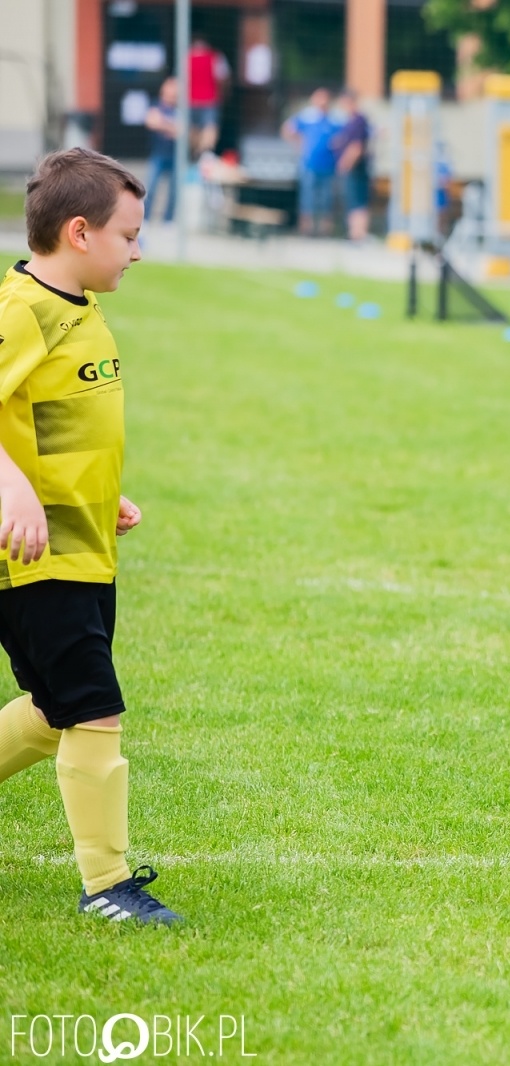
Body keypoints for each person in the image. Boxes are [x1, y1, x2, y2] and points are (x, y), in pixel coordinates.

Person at [0, 148, 180, 925]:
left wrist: (101, 494)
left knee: (52, 709)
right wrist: (15, 490)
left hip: (82, 540)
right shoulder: (22, 311)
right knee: (93, 708)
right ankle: (107, 886)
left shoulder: (78, 306)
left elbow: (58, 424)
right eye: (129, 236)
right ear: (79, 232)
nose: (138, 252)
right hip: (34, 557)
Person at [281, 89, 338, 237]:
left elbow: (343, 136)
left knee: (326, 200)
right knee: (307, 198)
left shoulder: (334, 119)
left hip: (328, 166)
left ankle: (325, 231)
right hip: (309, 164)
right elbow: (287, 129)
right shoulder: (307, 117)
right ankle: (306, 229)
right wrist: (299, 144)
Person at [328, 89, 372, 242]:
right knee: (353, 201)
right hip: (353, 168)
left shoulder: (358, 120)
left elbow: (356, 147)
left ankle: (358, 234)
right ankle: (354, 233)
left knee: (358, 201)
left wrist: (345, 163)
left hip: (356, 168)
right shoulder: (350, 121)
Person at [143, 78, 179, 224]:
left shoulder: (180, 109)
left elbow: (183, 130)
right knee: (151, 187)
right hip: (158, 153)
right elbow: (151, 122)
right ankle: (145, 219)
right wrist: (171, 126)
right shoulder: (155, 105)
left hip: (176, 155)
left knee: (174, 190)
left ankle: (168, 220)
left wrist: (163, 124)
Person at [187, 38, 230, 154]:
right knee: (210, 128)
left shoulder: (186, 57)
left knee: (193, 130)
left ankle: (196, 153)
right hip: (210, 100)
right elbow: (223, 78)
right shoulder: (216, 57)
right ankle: (204, 153)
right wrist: (224, 94)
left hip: (192, 100)